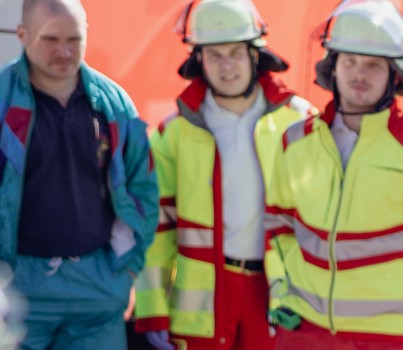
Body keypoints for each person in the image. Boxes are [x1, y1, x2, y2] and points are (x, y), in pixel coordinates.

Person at [262, 1, 403, 349]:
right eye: (350, 61)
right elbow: (277, 225)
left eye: (374, 65)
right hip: (304, 331)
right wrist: (281, 288)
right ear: (333, 67)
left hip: (390, 339)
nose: (359, 74)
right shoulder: (296, 141)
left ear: (395, 75)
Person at [132, 0, 314, 349]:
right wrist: (152, 310)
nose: (226, 66)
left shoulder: (301, 122)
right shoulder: (175, 131)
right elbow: (155, 228)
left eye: (235, 53)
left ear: (255, 55)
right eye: (214, 55)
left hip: (277, 295)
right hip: (203, 301)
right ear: (198, 59)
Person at [0, 0, 158, 349]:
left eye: (74, 39)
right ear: (22, 34)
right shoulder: (2, 99)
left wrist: (127, 269)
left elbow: (143, 190)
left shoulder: (115, 104)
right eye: (50, 39)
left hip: (97, 288)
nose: (64, 51)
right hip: (16, 291)